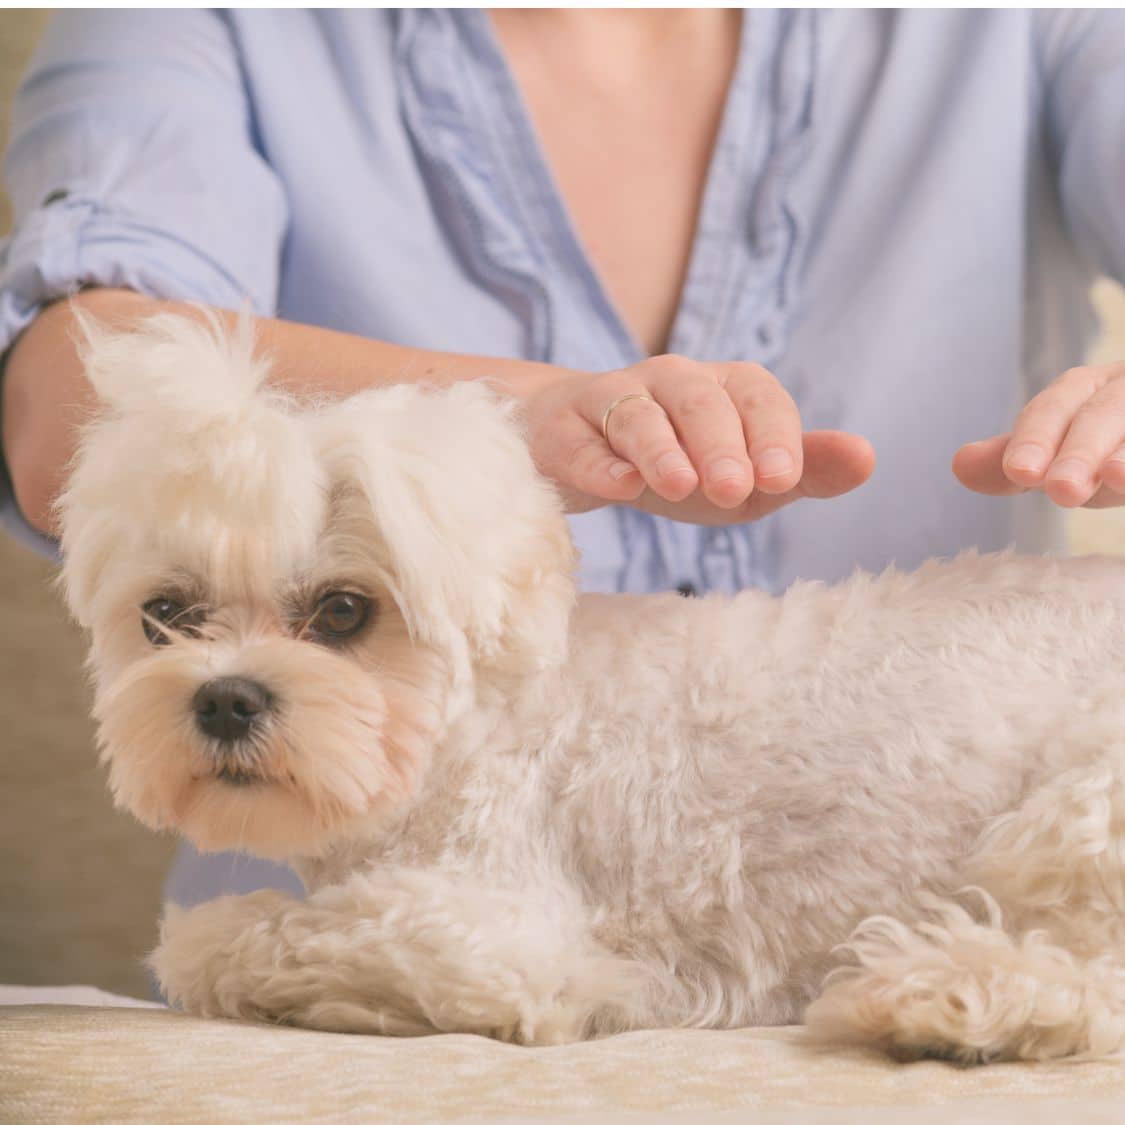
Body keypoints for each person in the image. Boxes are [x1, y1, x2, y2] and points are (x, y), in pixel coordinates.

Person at [3, 10, 1125, 907]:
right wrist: (510, 423)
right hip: (356, 976)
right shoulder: (192, 20)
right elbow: (66, 404)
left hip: (986, 920)